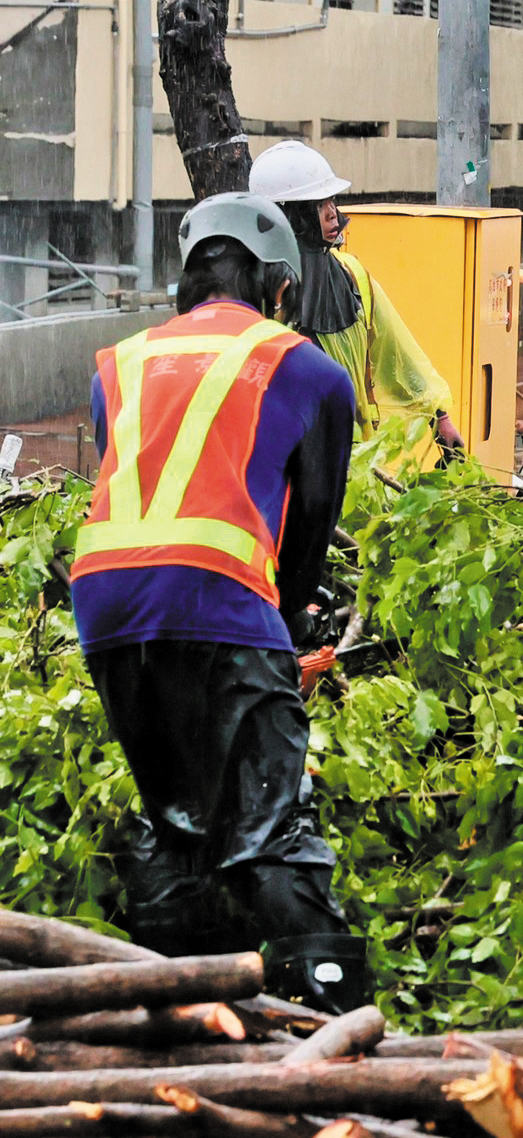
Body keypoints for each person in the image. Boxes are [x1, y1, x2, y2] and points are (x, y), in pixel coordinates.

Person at [69, 193, 367, 1013]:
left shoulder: (119, 363)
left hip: (107, 606)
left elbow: (148, 487)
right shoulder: (308, 368)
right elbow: (309, 528)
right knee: (272, 829)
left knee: (178, 818)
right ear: (279, 284)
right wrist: (291, 621)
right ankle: (337, 1022)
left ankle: (172, 1011)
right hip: (218, 594)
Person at [247, 140, 462, 452]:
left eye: (332, 200)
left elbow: (400, 355)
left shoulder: (354, 279)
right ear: (289, 214)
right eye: (319, 205)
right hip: (289, 465)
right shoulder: (260, 297)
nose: (333, 214)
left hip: (356, 463)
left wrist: (440, 419)